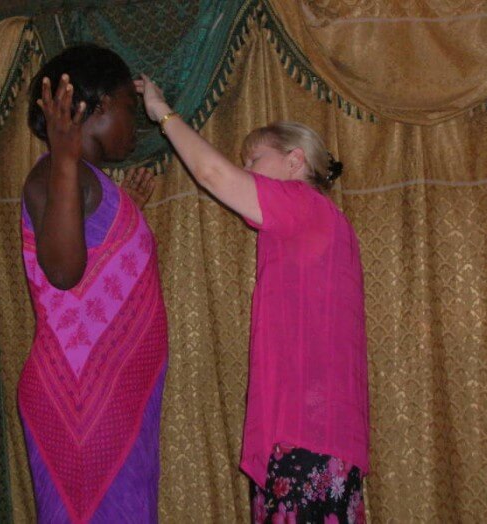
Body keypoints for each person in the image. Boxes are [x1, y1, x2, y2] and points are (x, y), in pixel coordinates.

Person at [137, 76, 369, 523]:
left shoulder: (302, 205)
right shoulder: (325, 223)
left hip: (306, 437)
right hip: (320, 437)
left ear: (295, 161)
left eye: (254, 158)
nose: (246, 168)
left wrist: (161, 111)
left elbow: (213, 174)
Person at [18, 45, 168, 523]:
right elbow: (63, 273)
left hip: (116, 398)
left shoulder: (90, 181)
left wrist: (128, 211)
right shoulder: (54, 172)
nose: (135, 126)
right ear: (99, 106)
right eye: (128, 108)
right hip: (84, 400)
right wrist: (64, 158)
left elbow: (98, 267)